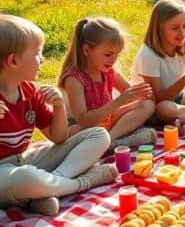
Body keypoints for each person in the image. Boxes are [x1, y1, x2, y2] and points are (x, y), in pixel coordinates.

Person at [0, 13, 117, 217]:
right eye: (37, 53)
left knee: (99, 135)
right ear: (13, 60)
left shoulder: (29, 91)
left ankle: (47, 189)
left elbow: (58, 137)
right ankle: (81, 182)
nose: (42, 59)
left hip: (22, 161)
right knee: (27, 178)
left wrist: (58, 107)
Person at [58, 17, 156, 152]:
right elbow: (84, 121)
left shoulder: (108, 71)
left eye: (117, 54)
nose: (114, 59)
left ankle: (110, 141)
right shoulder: (74, 79)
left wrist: (141, 93)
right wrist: (119, 102)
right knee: (74, 131)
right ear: (86, 50)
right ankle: (119, 140)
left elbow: (131, 92)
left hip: (107, 122)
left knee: (147, 105)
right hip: (86, 128)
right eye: (108, 54)